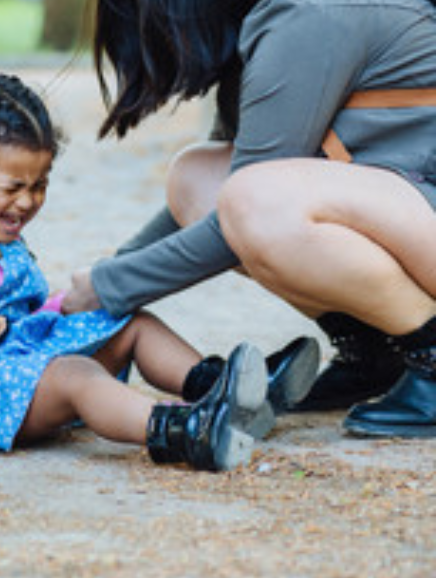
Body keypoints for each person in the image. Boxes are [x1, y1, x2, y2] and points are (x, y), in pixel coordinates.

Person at [0, 73, 314, 471]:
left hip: (22, 365)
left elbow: (12, 316)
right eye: (13, 186)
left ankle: (226, 391)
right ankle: (184, 430)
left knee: (130, 321)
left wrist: (60, 310)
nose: (27, 202)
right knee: (77, 374)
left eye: (40, 185)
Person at [63, 0, 436, 437]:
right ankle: (377, 351)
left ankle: (430, 350)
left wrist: (110, 287)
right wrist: (100, 284)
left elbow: (242, 217)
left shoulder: (309, 14)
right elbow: (218, 201)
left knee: (255, 201)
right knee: (197, 178)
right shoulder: (266, 25)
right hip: (413, 216)